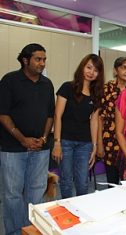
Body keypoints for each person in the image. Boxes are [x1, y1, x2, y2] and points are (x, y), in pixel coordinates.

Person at [0, 43, 55, 235]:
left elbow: (50, 115)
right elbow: (3, 114)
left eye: (44, 59)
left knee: (36, 191)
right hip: (12, 148)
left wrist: (44, 137)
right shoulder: (9, 80)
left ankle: (31, 230)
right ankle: (15, 232)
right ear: (25, 60)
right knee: (12, 194)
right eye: (38, 59)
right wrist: (23, 139)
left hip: (40, 148)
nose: (42, 63)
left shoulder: (47, 84)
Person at [51, 54, 104, 198]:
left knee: (83, 183)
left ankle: (81, 213)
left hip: (85, 144)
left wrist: (94, 146)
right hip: (65, 141)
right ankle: (67, 213)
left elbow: (94, 121)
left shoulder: (97, 94)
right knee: (66, 181)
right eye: (88, 67)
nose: (91, 72)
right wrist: (57, 142)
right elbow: (58, 116)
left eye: (95, 70)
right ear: (82, 67)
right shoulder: (67, 87)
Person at [97, 57, 126, 185]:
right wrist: (99, 144)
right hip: (109, 141)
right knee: (112, 183)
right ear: (115, 70)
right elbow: (100, 118)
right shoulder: (106, 89)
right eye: (124, 67)